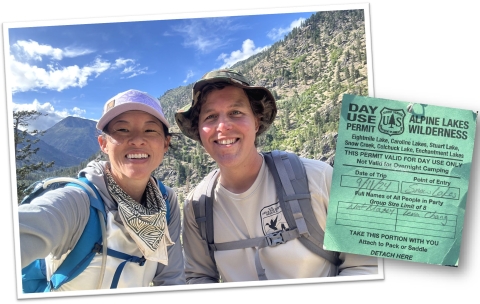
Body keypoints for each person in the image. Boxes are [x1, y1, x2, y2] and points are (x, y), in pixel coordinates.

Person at [175, 69, 378, 283]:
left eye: (236, 112)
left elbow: (366, 264)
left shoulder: (317, 178)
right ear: (199, 130)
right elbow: (199, 277)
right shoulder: (197, 206)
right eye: (210, 116)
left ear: (256, 121)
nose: (223, 126)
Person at [18, 89, 186, 290]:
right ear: (103, 144)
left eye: (150, 130)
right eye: (122, 130)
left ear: (166, 143)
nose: (137, 140)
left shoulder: (166, 201)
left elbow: (171, 280)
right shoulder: (78, 202)